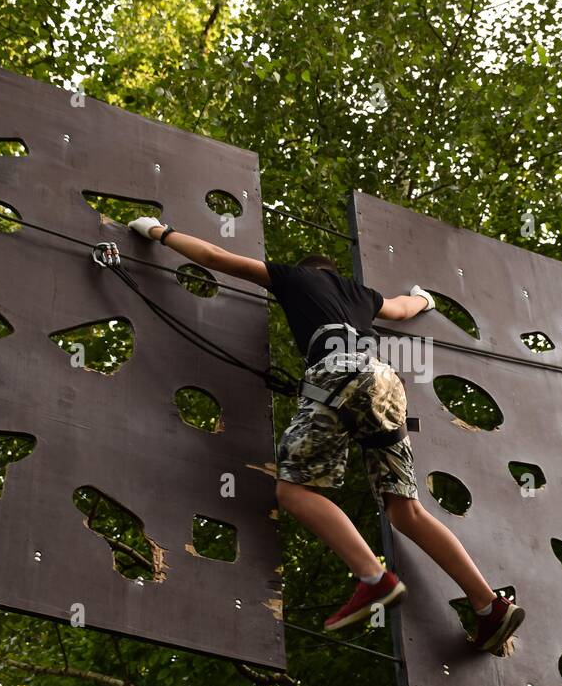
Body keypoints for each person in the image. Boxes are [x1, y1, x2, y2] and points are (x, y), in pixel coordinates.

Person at [128, 216, 524, 652]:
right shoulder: (362, 295)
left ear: (308, 271)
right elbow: (402, 308)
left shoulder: (292, 277)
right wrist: (424, 299)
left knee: (295, 492)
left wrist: (159, 232)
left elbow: (215, 257)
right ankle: (488, 606)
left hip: (334, 372)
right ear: (334, 273)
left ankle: (373, 578)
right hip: (386, 380)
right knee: (404, 510)